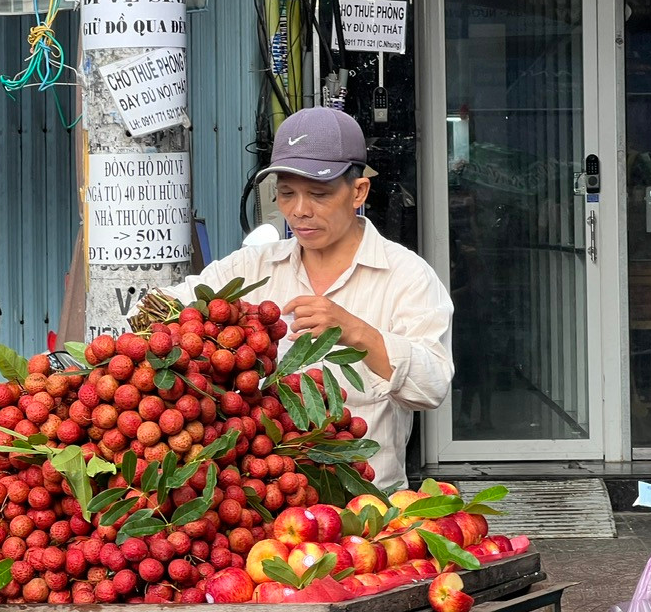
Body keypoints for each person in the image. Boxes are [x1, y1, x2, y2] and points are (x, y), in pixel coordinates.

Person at [164, 106, 453, 489]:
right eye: (286, 194)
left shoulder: (406, 276)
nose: (299, 211)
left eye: (319, 194)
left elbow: (432, 387)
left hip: (365, 505)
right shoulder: (252, 267)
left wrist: (355, 332)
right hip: (263, 502)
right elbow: (167, 308)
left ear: (358, 192)